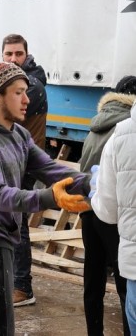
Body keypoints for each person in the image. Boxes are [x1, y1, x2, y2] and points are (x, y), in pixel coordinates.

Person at [0, 61, 90, 336]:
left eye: (26, 91)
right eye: (19, 92)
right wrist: (51, 197)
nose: (27, 99)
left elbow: (52, 170)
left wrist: (100, 182)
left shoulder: (18, 134)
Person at [79, 76, 136, 336]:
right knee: (125, 284)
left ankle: (94, 332)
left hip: (88, 209)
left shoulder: (97, 124)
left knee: (93, 279)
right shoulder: (126, 127)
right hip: (109, 213)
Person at [1, 33, 48, 307]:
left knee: (18, 225)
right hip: (11, 161)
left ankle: (22, 286)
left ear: (26, 55)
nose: (13, 59)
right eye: (8, 54)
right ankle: (13, 281)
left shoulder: (32, 85)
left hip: (26, 163)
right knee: (9, 222)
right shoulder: (11, 83)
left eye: (18, 54)